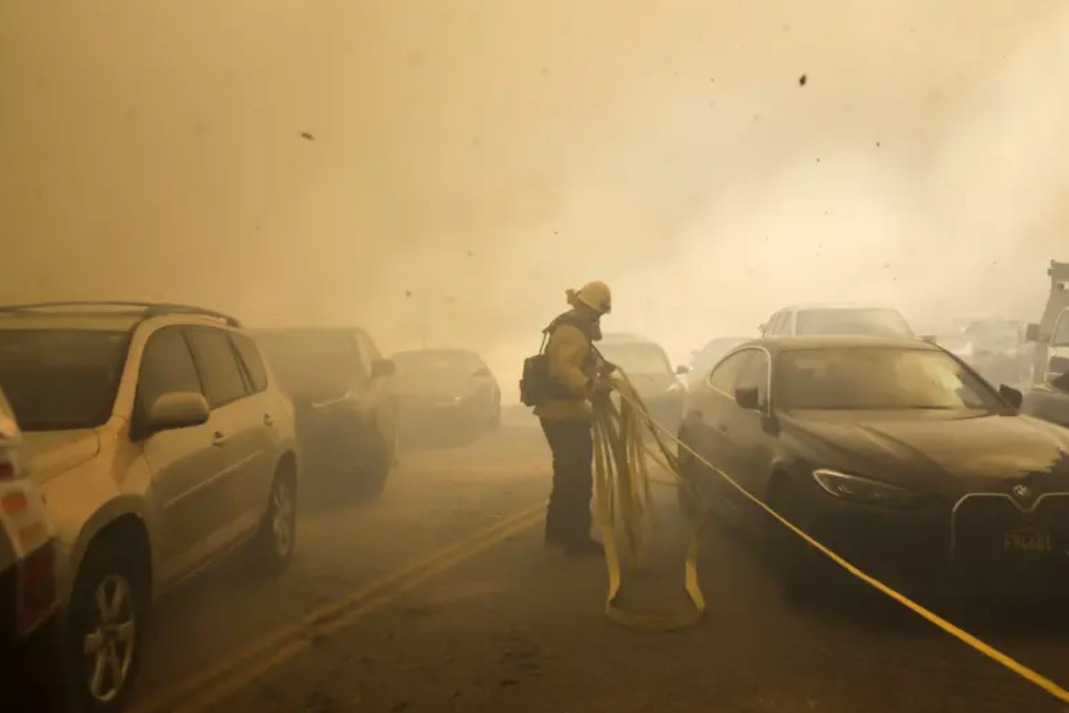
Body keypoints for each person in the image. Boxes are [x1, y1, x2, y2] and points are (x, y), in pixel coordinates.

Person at [533, 280, 614, 557]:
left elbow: (580, 360)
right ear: (585, 308)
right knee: (576, 478)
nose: (598, 319)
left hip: (563, 412)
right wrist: (592, 388)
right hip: (563, 414)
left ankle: (558, 533)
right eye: (596, 313)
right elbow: (565, 370)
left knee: (567, 474)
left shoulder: (575, 327)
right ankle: (575, 541)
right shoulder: (571, 331)